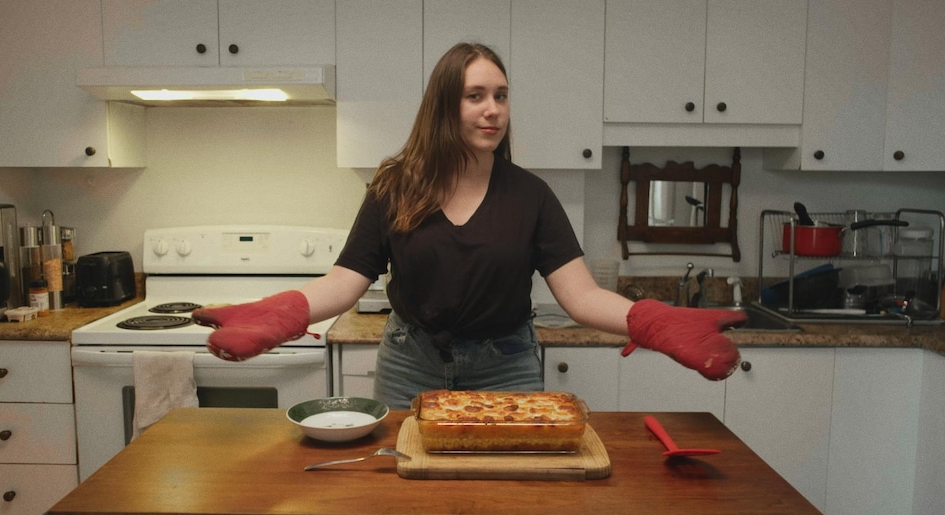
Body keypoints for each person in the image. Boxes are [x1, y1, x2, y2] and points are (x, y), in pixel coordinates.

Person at [192, 43, 747, 410]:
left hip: (506, 368)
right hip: (409, 364)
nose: (493, 110)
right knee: (405, 494)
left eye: (501, 96)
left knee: (504, 497)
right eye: (475, 96)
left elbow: (580, 297)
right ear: (443, 107)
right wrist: (278, 314)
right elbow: (344, 283)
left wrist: (656, 323)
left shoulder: (531, 195)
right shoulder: (394, 185)